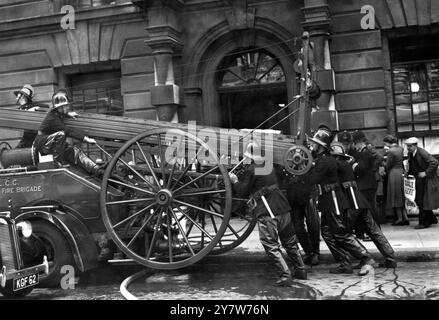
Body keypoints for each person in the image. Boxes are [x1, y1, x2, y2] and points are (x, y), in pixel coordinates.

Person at [229, 142, 307, 286]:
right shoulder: (268, 166)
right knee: (290, 241)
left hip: (267, 210)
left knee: (270, 244)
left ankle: (285, 275)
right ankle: (301, 270)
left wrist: (234, 181)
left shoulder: (252, 169)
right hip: (282, 207)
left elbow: (243, 191)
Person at [307, 125, 375, 276]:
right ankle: (344, 263)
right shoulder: (322, 159)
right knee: (327, 233)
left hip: (334, 201)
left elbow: (312, 179)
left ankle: (366, 258)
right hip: (328, 201)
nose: (311, 145)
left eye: (313, 143)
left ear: (320, 146)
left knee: (340, 233)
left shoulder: (325, 161)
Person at [331, 142, 397, 269]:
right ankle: (390, 257)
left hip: (352, 203)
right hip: (361, 201)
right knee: (373, 230)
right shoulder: (347, 164)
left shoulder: (337, 165)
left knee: (343, 233)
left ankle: (365, 258)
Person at [33, 89, 103, 177]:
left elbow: (60, 114)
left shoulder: (56, 113)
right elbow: (68, 131)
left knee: (75, 151)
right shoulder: (53, 118)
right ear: (60, 107)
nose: (68, 108)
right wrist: (86, 139)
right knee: (61, 134)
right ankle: (56, 162)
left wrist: (68, 114)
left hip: (52, 144)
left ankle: (95, 169)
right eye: (65, 106)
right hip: (43, 145)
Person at [350, 131, 379, 240]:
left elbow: (362, 168)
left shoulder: (364, 153)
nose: (354, 145)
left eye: (355, 143)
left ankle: (374, 232)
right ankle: (367, 232)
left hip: (366, 185)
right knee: (367, 209)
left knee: (370, 209)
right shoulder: (366, 152)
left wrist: (354, 166)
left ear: (359, 142)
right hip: (368, 184)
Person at [286, 173, 320, 266]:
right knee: (297, 227)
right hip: (293, 194)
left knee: (313, 224)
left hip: (308, 192)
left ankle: (315, 252)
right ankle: (309, 252)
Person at [405, 137, 439, 229]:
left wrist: (426, 173)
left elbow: (434, 162)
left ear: (416, 145)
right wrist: (408, 173)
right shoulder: (411, 153)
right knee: (422, 200)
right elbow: (413, 165)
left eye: (410, 146)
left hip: (426, 179)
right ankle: (431, 218)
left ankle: (423, 222)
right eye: (407, 146)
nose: (408, 148)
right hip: (419, 179)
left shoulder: (421, 152)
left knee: (421, 200)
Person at [383, 135, 408, 225]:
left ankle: (400, 219)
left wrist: (384, 161)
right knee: (401, 195)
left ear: (387, 142)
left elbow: (388, 165)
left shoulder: (390, 151)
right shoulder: (401, 148)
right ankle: (405, 217)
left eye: (385, 143)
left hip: (394, 173)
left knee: (396, 195)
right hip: (401, 171)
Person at [14, 84, 48, 148]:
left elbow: (46, 107)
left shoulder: (34, 106)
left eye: (18, 96)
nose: (16, 98)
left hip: (36, 137)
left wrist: (34, 109)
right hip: (27, 138)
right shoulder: (19, 110)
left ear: (23, 97)